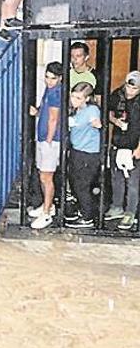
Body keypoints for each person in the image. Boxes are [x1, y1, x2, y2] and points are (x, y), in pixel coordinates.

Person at [29, 62, 63, 229]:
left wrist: (48, 141)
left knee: (46, 177)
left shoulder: (56, 92)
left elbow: (53, 119)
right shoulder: (50, 90)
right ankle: (47, 206)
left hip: (50, 141)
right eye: (47, 77)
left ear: (60, 78)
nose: (49, 81)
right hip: (44, 138)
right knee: (43, 175)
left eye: (53, 78)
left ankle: (47, 213)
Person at [105, 71, 140, 231]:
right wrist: (115, 121)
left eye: (135, 89)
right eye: (128, 86)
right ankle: (117, 206)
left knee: (133, 181)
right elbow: (109, 111)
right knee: (116, 177)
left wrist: (139, 149)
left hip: (134, 146)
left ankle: (130, 212)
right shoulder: (117, 95)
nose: (130, 91)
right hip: (118, 143)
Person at [64, 82, 101, 229]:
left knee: (82, 185)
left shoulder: (91, 110)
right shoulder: (77, 110)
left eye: (78, 98)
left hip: (88, 153)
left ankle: (88, 217)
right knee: (75, 183)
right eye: (73, 96)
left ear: (87, 98)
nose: (74, 100)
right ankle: (84, 211)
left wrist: (95, 123)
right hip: (77, 150)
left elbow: (96, 122)